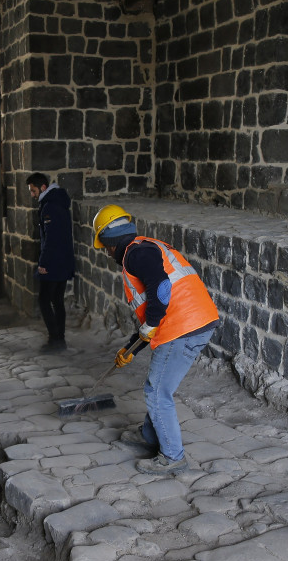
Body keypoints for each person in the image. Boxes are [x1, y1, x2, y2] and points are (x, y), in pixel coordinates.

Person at [92, 204, 219, 476]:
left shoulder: (135, 255)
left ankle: (173, 457)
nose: (106, 251)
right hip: (199, 321)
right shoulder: (146, 247)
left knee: (157, 391)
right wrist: (130, 348)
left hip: (181, 326)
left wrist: (149, 326)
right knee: (161, 385)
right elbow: (153, 309)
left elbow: (161, 289)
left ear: (111, 242)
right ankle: (150, 436)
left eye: (104, 245)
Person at [27, 173, 75, 352]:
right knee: (57, 300)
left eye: (33, 190)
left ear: (43, 188)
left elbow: (52, 239)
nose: (32, 194)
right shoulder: (58, 201)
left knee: (44, 300)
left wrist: (43, 263)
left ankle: (55, 340)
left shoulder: (49, 207)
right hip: (63, 260)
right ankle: (59, 340)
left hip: (54, 262)